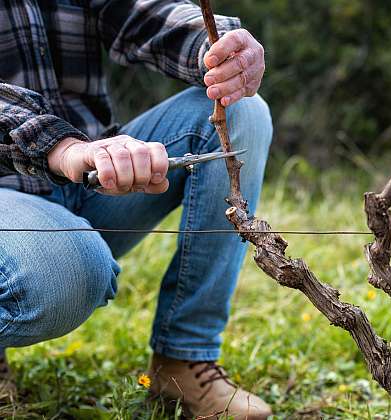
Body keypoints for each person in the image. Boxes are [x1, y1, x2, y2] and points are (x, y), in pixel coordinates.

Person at [0, 1, 272, 418]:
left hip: (91, 177)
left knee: (241, 111)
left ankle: (182, 360)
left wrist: (219, 48)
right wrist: (59, 146)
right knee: (70, 275)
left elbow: (140, 13)